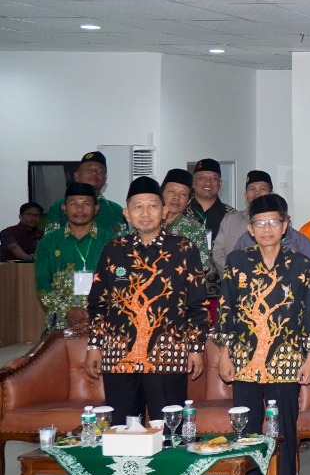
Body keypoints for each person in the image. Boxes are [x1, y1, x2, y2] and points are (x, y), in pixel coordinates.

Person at [214, 193, 310, 475]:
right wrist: (224, 353)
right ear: (250, 228)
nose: (267, 229)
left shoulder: (299, 264)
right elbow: (225, 310)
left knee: (283, 426)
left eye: (274, 222)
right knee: (245, 426)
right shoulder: (237, 261)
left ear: (285, 225)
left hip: (285, 358)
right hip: (245, 357)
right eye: (260, 223)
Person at [86, 176, 207, 423]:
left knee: (170, 431)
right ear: (127, 214)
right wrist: (94, 345)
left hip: (168, 354)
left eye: (152, 206)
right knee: (122, 429)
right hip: (119, 355)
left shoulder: (184, 249)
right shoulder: (113, 249)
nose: (145, 213)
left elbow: (197, 305)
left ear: (163, 211)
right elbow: (98, 303)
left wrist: (196, 349)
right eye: (137, 206)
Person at [34, 183, 113, 334]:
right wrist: (68, 310)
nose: (79, 209)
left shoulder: (112, 241)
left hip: (104, 322)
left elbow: (120, 284)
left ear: (96, 208)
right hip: (61, 323)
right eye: (73, 204)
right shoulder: (48, 243)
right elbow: (43, 286)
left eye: (86, 204)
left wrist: (98, 311)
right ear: (64, 208)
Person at [47, 151, 125, 237]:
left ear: (105, 179)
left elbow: (123, 245)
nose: (94, 173)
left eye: (100, 171)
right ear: (77, 176)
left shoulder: (116, 210)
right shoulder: (58, 207)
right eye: (89, 170)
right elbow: (49, 243)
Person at [158, 168, 212, 281]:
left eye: (183, 194)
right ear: (161, 195)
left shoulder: (195, 229)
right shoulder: (148, 223)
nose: (176, 197)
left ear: (188, 202)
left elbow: (203, 265)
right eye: (171, 191)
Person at [188, 158, 232, 247]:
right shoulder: (180, 212)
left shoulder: (231, 215)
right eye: (203, 178)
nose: (208, 182)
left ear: (220, 183)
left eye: (213, 178)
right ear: (193, 183)